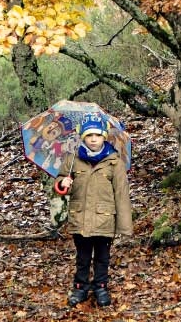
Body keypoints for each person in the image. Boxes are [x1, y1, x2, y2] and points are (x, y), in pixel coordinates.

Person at [54, 115, 132, 307]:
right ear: (83, 137)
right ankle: (80, 287)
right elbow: (60, 184)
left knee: (102, 257)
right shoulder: (73, 160)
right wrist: (63, 183)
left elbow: (121, 195)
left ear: (104, 136)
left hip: (105, 219)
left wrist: (124, 226)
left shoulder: (114, 162)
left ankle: (100, 286)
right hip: (79, 218)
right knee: (82, 256)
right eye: (89, 135)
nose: (94, 139)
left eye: (98, 135)